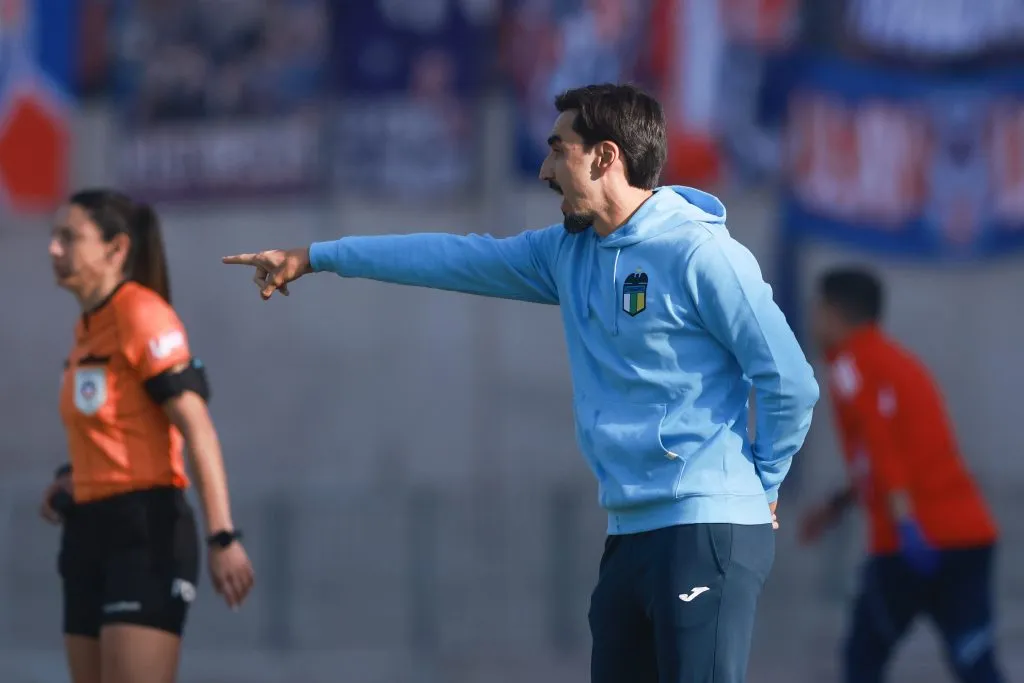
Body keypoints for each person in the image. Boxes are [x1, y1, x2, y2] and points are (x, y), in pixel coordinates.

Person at [223, 83, 819, 683]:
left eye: (558, 150)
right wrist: (318, 256)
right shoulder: (566, 254)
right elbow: (449, 257)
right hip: (628, 533)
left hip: (706, 526)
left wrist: (764, 480)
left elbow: (789, 381)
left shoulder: (699, 252)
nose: (544, 171)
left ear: (605, 157)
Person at [41, 189, 255, 683]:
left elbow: (197, 429)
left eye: (69, 237)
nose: (53, 248)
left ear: (116, 249)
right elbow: (116, 426)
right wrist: (76, 477)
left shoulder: (142, 314)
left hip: (145, 534)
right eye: (54, 236)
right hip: (85, 533)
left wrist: (223, 536)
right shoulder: (85, 330)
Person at [800, 267, 1004, 683]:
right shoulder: (898, 362)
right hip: (969, 536)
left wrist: (906, 523)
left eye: (817, 312)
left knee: (862, 660)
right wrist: (838, 505)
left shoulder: (850, 364)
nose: (813, 323)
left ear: (834, 313)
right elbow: (897, 452)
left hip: (912, 541)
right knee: (975, 664)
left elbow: (880, 445)